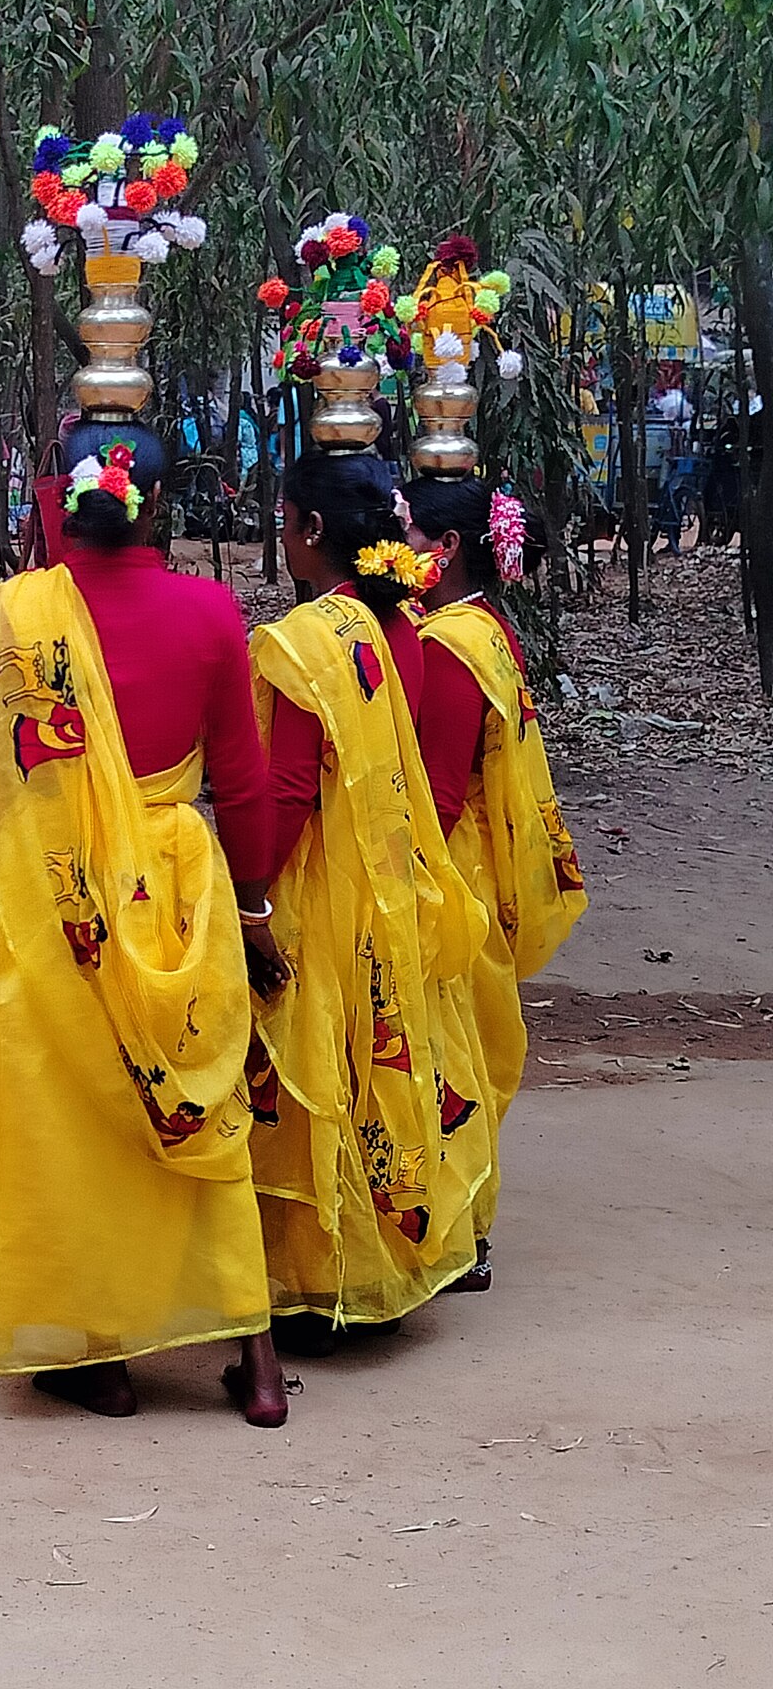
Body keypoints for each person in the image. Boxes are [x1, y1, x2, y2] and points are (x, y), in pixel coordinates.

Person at [0, 421, 290, 1426]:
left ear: (58, 501)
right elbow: (244, 784)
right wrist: (252, 903)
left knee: (71, 1119)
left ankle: (103, 1357)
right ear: (155, 503)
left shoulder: (7, 616)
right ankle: (256, 1360)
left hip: (47, 892)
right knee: (196, 1102)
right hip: (171, 889)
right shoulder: (211, 613)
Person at [245, 450, 494, 1352]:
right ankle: (383, 1258)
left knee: (315, 1071)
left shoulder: (307, 642)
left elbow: (283, 791)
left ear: (312, 531)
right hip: (387, 883)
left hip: (320, 882)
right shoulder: (399, 630)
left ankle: (318, 1281)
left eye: (283, 518)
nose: (280, 534)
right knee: (376, 1063)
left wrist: (247, 895)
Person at [405, 477, 587, 1285]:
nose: (393, 546)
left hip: (456, 868)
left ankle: (460, 1230)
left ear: (442, 551)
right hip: (480, 859)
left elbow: (441, 791)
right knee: (466, 1047)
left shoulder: (448, 647)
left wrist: (403, 877)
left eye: (406, 533)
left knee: (449, 1054)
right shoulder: (486, 628)